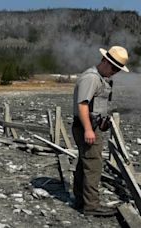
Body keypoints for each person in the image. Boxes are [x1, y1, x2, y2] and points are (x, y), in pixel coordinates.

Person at [72, 46, 129, 216]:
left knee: (85, 163)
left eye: (118, 69)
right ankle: (91, 206)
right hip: (86, 127)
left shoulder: (100, 78)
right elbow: (82, 105)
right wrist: (89, 129)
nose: (115, 72)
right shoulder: (91, 78)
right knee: (94, 165)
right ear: (105, 61)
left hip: (91, 125)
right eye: (113, 68)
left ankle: (81, 200)